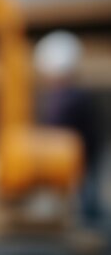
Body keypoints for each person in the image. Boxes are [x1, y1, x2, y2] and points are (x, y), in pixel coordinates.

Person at [34, 30, 103, 224]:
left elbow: (54, 130)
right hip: (86, 157)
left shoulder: (66, 99)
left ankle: (89, 228)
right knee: (86, 199)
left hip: (78, 160)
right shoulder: (77, 95)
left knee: (83, 203)